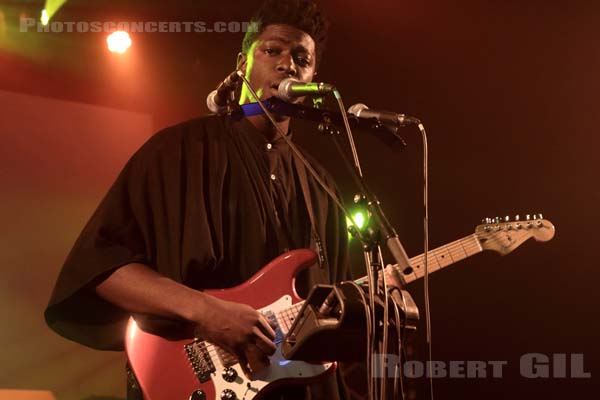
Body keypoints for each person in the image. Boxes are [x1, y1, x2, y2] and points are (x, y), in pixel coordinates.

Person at [45, 0, 352, 398]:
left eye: (301, 57)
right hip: (194, 382)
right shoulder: (176, 151)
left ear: (312, 76)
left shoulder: (322, 186)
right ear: (242, 63)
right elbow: (101, 268)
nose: (286, 65)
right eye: (272, 50)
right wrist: (207, 312)